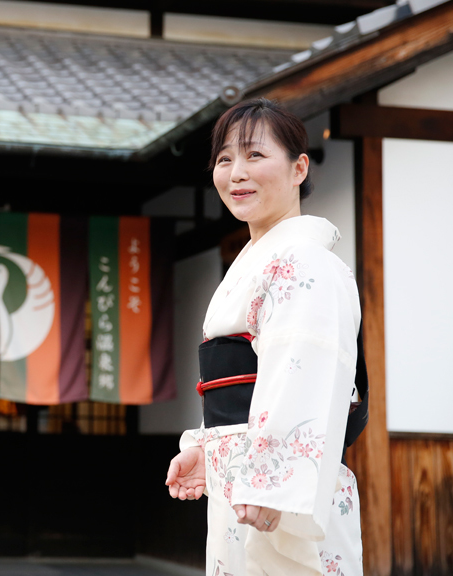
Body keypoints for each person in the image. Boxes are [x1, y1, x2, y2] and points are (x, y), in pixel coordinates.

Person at [164, 98, 364, 575]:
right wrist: (207, 448)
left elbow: (303, 375)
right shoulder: (257, 263)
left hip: (276, 494)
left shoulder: (304, 262)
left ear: (299, 168)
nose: (236, 172)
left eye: (255, 155)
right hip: (244, 485)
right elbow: (235, 388)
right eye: (224, 159)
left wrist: (274, 484)